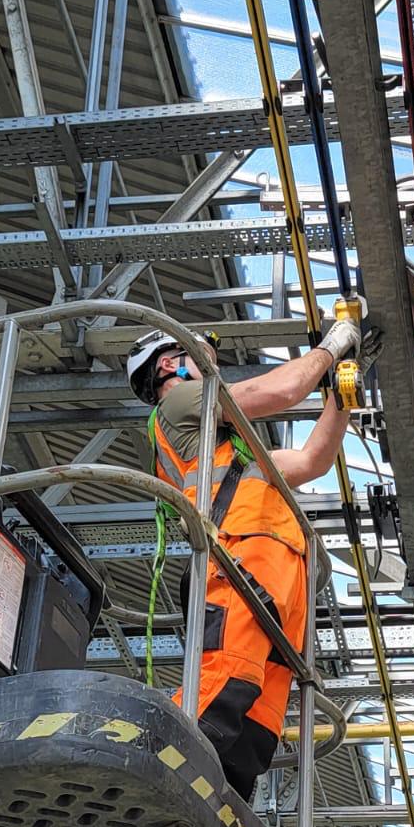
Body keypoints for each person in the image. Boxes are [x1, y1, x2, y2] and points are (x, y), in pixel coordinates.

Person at [127, 315, 375, 800]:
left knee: (258, 718)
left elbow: (310, 462)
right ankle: (151, 765)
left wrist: (341, 395)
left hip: (279, 568)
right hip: (242, 555)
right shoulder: (178, 403)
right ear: (169, 365)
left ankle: (224, 808)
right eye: (203, 358)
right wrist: (331, 349)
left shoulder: (232, 450)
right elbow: (281, 391)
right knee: (229, 677)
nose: (212, 370)